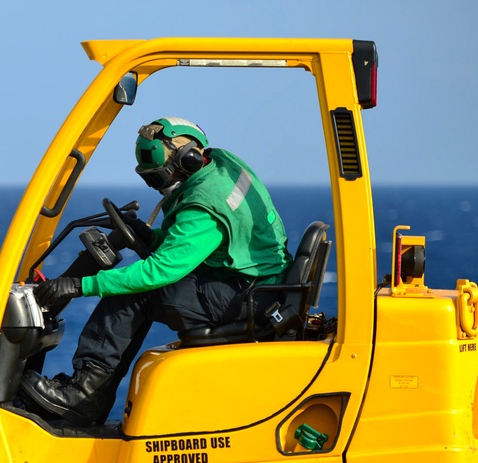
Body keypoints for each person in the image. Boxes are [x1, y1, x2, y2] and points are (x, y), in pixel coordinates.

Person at [20, 117, 292, 426]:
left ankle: (83, 395)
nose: (162, 186)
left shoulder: (204, 205)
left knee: (136, 293)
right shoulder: (219, 166)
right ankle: (91, 396)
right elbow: (197, 248)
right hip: (250, 282)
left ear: (188, 159)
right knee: (136, 287)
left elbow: (162, 270)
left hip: (247, 296)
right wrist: (149, 237)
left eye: (161, 177)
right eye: (153, 180)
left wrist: (80, 285)